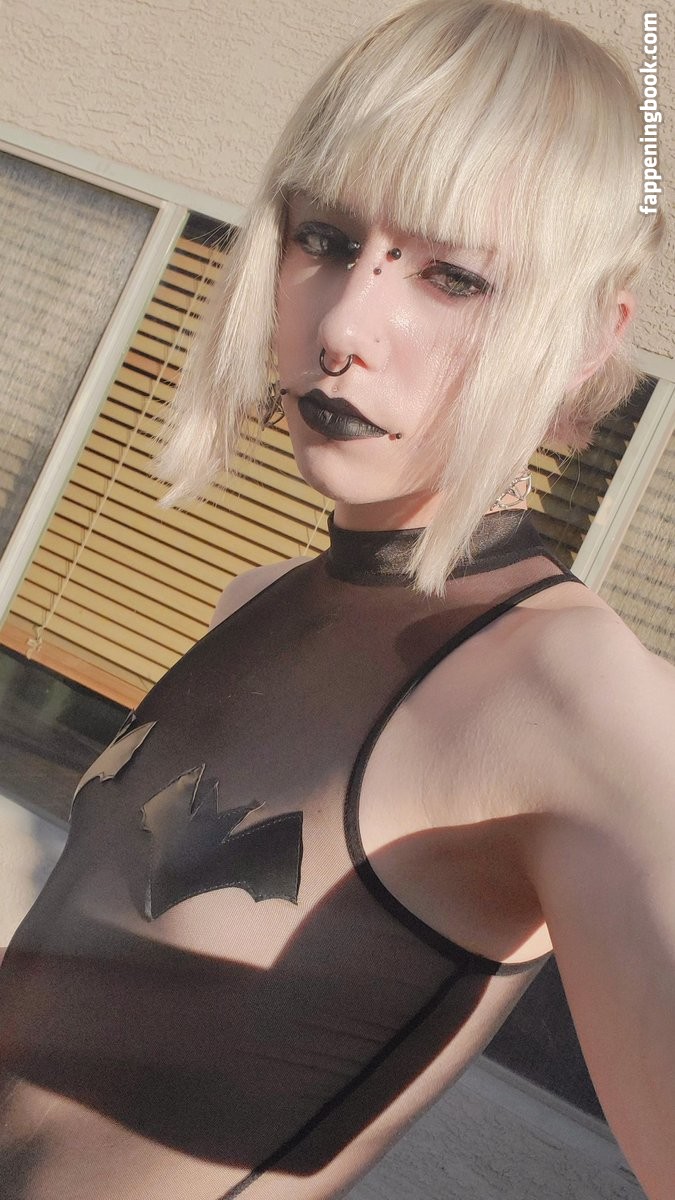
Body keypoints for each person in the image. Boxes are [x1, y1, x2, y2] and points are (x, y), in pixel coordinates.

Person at [0, 1, 672, 1198]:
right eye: (325, 236)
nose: (346, 326)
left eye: (454, 276)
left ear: (585, 341)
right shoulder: (258, 597)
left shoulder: (581, 701)